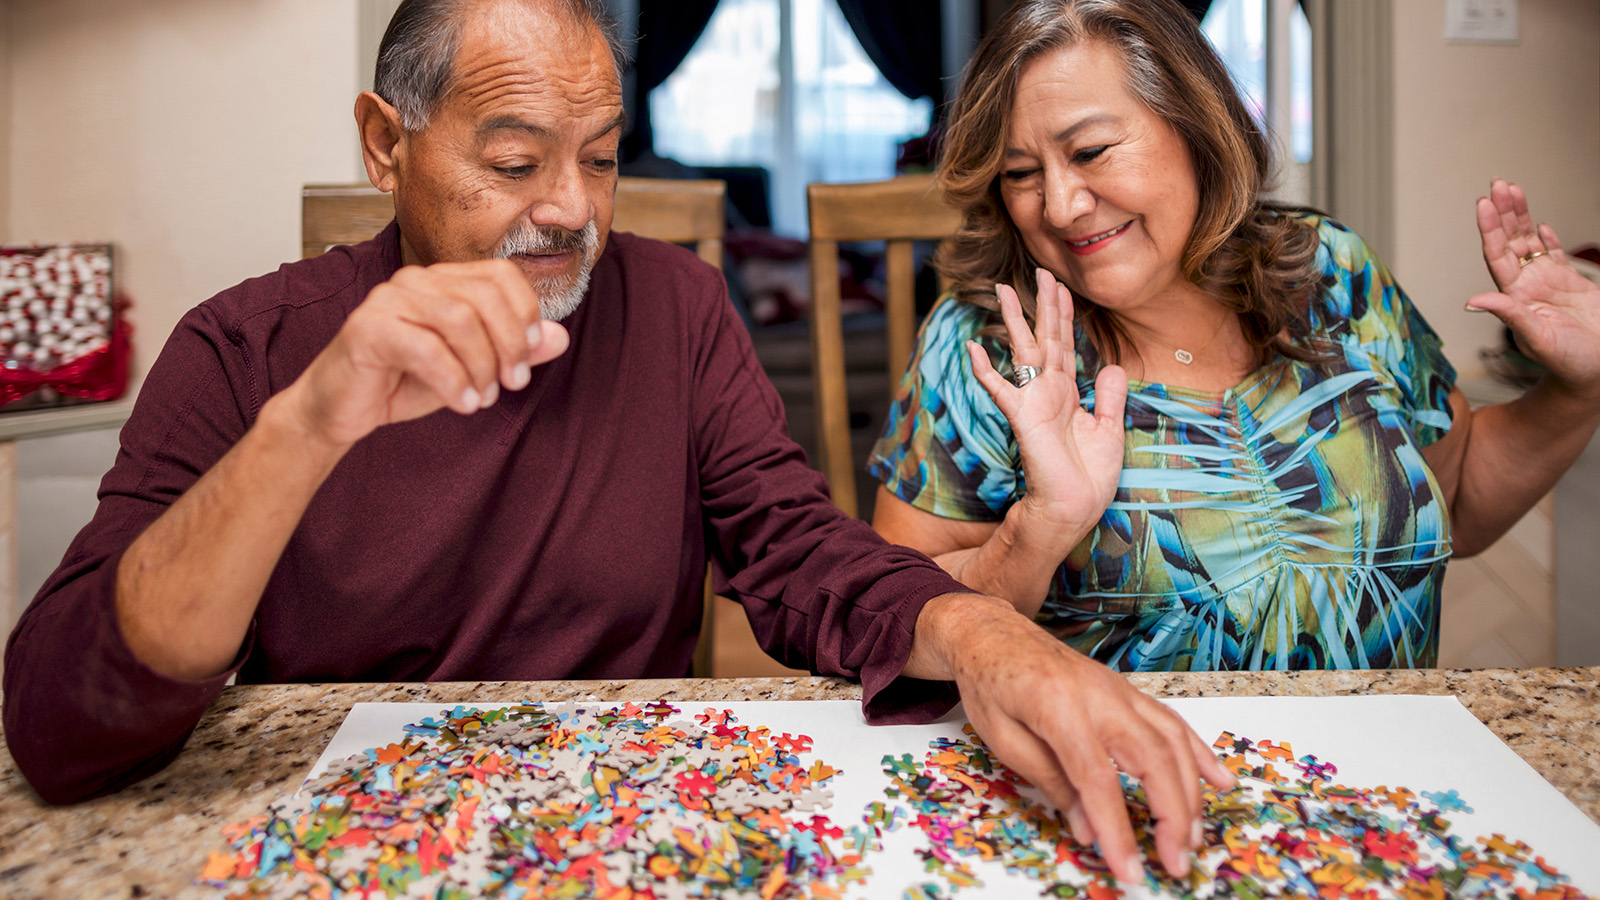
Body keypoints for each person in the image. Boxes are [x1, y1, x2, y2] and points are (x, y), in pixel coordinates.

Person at [2, 0, 1232, 882]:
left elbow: (799, 554)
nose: (570, 212)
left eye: (599, 160)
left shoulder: (677, 308)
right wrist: (314, 422)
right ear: (387, 147)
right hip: (358, 846)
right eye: (512, 161)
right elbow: (62, 724)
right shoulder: (246, 347)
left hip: (619, 831)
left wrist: (985, 634)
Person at [871, 0, 1600, 671]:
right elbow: (902, 623)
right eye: (1020, 173)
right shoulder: (988, 346)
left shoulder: (1331, 271)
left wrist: (1579, 386)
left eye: (1091, 152)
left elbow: (1460, 500)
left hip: (1380, 783)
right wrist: (1039, 527)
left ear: (1195, 126)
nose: (1060, 206)